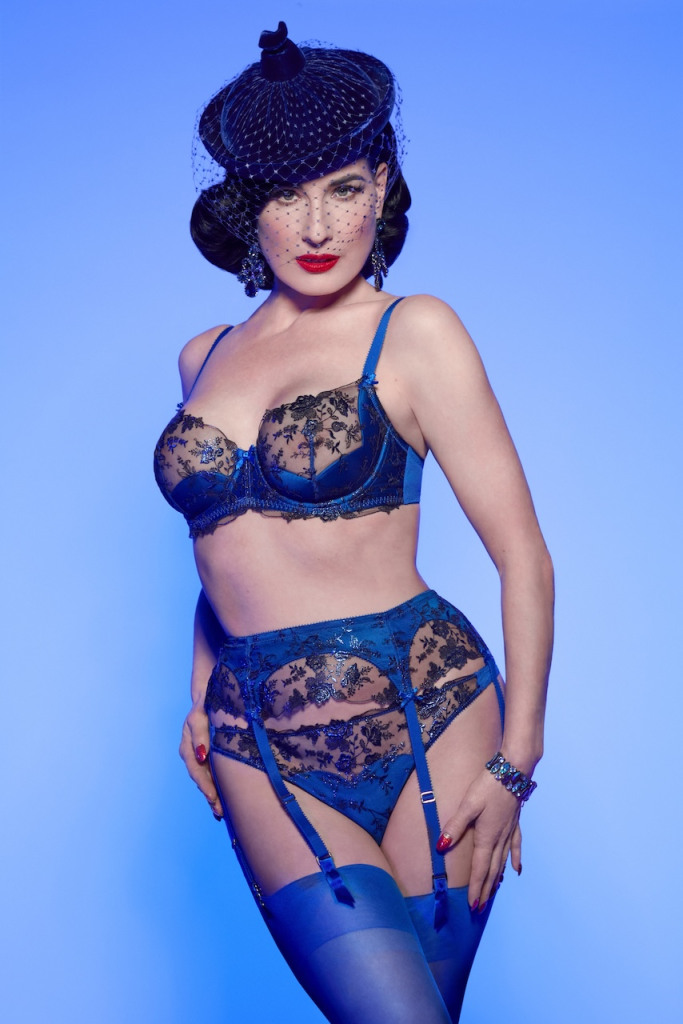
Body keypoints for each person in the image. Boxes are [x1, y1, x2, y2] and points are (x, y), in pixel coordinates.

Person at [154, 21, 554, 1024]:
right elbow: (220, 550)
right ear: (248, 207)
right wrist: (198, 693)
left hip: (431, 710)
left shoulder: (413, 331)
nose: (317, 225)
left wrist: (516, 760)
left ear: (381, 186)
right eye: (286, 196)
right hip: (257, 733)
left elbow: (523, 556)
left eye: (342, 189)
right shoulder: (203, 356)